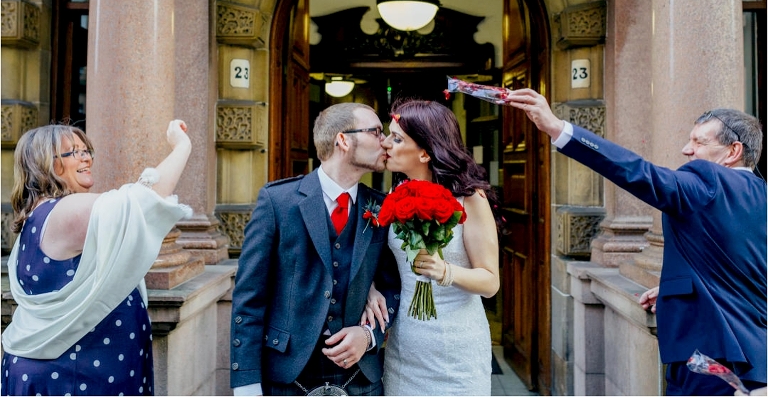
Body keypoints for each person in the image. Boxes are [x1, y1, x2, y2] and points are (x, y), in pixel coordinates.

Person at [505, 88, 766, 396]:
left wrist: (557, 128)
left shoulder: (708, 178)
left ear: (733, 151)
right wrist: (676, 289)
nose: (687, 150)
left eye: (699, 142)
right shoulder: (760, 194)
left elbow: (639, 173)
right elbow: (738, 266)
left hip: (707, 358)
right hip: (752, 359)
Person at [2, 120, 193, 396]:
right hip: (74, 377)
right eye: (73, 153)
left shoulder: (39, 216)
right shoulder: (66, 210)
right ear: (45, 164)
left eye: (86, 150)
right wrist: (182, 145)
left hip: (64, 371)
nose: (86, 158)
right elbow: (144, 201)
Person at [230, 102, 401, 396]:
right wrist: (246, 383)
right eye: (375, 132)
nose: (384, 141)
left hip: (360, 376)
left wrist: (369, 335)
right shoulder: (278, 201)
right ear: (343, 140)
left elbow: (394, 287)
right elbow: (250, 297)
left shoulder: (383, 207)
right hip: (287, 375)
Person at [363, 99, 500, 396]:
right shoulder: (395, 194)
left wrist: (445, 271)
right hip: (405, 347)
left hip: (458, 351)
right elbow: (384, 264)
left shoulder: (469, 198)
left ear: (425, 152)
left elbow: (490, 283)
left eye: (396, 138)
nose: (385, 143)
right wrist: (370, 286)